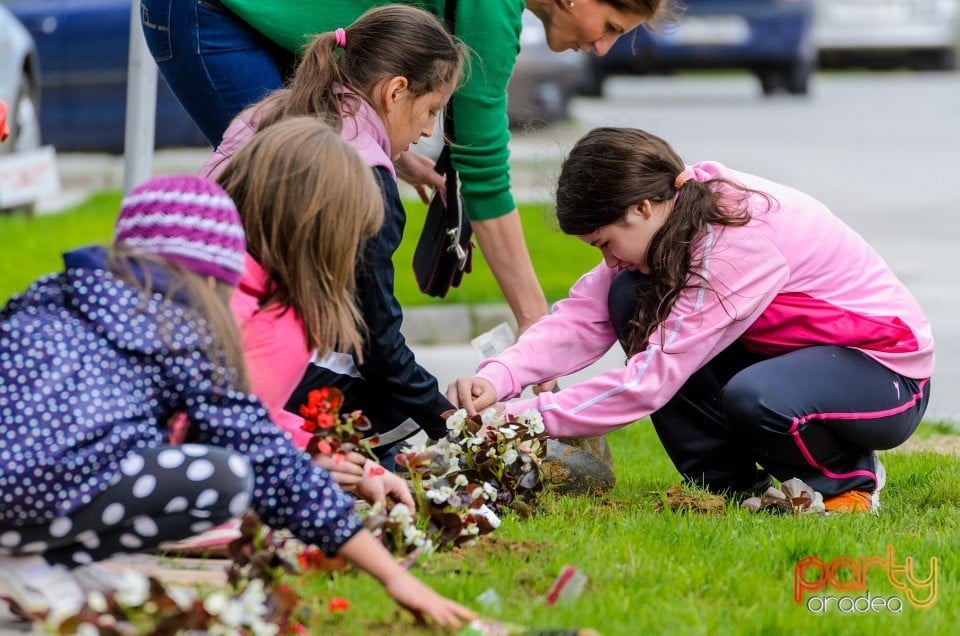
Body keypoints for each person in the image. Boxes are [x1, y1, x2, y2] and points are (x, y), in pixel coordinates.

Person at [0, 165, 475, 627]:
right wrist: (393, 577)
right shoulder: (180, 332)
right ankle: (38, 563)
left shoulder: (46, 298)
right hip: (34, 497)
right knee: (224, 476)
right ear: (209, 281)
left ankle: (33, 560)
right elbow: (265, 457)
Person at [447, 127, 934, 514]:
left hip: (886, 375)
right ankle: (731, 487)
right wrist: (498, 379)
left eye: (605, 243)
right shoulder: (672, 211)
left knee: (756, 398)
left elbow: (649, 382)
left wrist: (518, 421)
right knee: (628, 294)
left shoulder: (735, 243)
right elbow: (580, 317)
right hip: (800, 355)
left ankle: (847, 482)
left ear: (641, 208)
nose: (609, 259)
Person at [140, 0, 677, 340]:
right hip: (211, 13)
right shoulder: (492, 11)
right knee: (285, 213)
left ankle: (325, 416)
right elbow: (482, 171)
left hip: (254, 25)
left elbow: (362, 87)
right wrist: (537, 322)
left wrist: (386, 145)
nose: (604, 47)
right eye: (609, 25)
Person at [201, 5, 465, 466]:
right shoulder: (364, 183)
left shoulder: (268, 113)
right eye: (431, 111)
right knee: (387, 398)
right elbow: (375, 345)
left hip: (189, 337)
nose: (427, 131)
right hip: (240, 367)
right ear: (395, 91)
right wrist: (452, 423)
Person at [215, 113, 419, 503]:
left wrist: (335, 458)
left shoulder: (220, 273)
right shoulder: (277, 323)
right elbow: (232, 436)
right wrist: (312, 469)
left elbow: (253, 416)